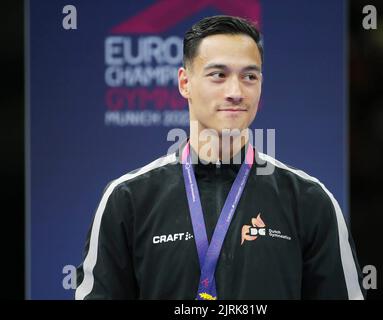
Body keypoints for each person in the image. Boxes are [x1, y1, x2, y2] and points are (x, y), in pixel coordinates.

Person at [75, 15, 366, 300]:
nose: (236, 92)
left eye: (249, 76)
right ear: (184, 82)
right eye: (219, 75)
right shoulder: (127, 200)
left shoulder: (309, 200)